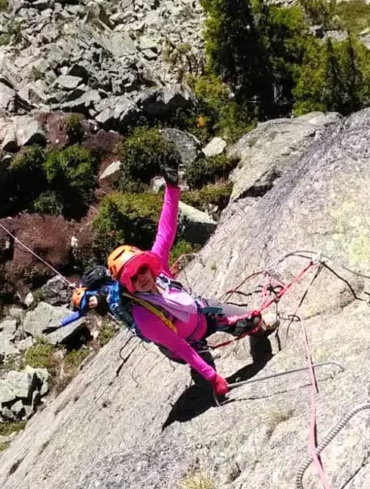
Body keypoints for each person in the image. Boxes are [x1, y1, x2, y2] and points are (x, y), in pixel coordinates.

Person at [105, 165, 272, 397]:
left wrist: (172, 189)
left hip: (202, 313)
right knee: (206, 375)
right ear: (127, 284)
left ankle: (254, 331)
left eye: (141, 269)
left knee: (251, 319)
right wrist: (213, 379)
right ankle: (203, 376)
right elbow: (179, 347)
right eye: (132, 277)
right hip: (187, 342)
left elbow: (166, 231)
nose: (141, 277)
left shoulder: (159, 269)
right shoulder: (144, 316)